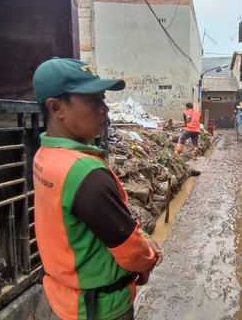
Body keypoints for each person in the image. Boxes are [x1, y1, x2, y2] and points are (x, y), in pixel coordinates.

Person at [32, 57, 163, 320]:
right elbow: (130, 250)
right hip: (98, 309)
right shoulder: (84, 171)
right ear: (56, 107)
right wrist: (150, 255)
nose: (105, 109)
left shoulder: (45, 155)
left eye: (103, 99)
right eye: (93, 101)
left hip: (62, 298)